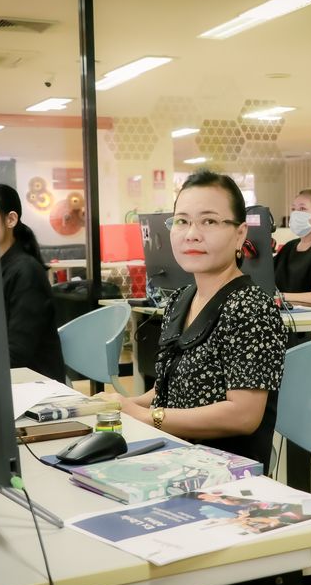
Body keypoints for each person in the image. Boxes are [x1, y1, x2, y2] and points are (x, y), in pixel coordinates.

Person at [100, 170, 286, 471]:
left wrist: (149, 417)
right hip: (172, 458)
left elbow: (244, 415)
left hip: (223, 474)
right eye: (182, 221)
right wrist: (123, 405)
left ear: (240, 234)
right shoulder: (181, 298)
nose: (191, 234)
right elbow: (169, 390)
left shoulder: (251, 307)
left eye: (209, 221)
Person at [0, 183, 65, 382]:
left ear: (11, 219)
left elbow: (16, 354)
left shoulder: (26, 272)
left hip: (35, 387)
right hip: (8, 380)